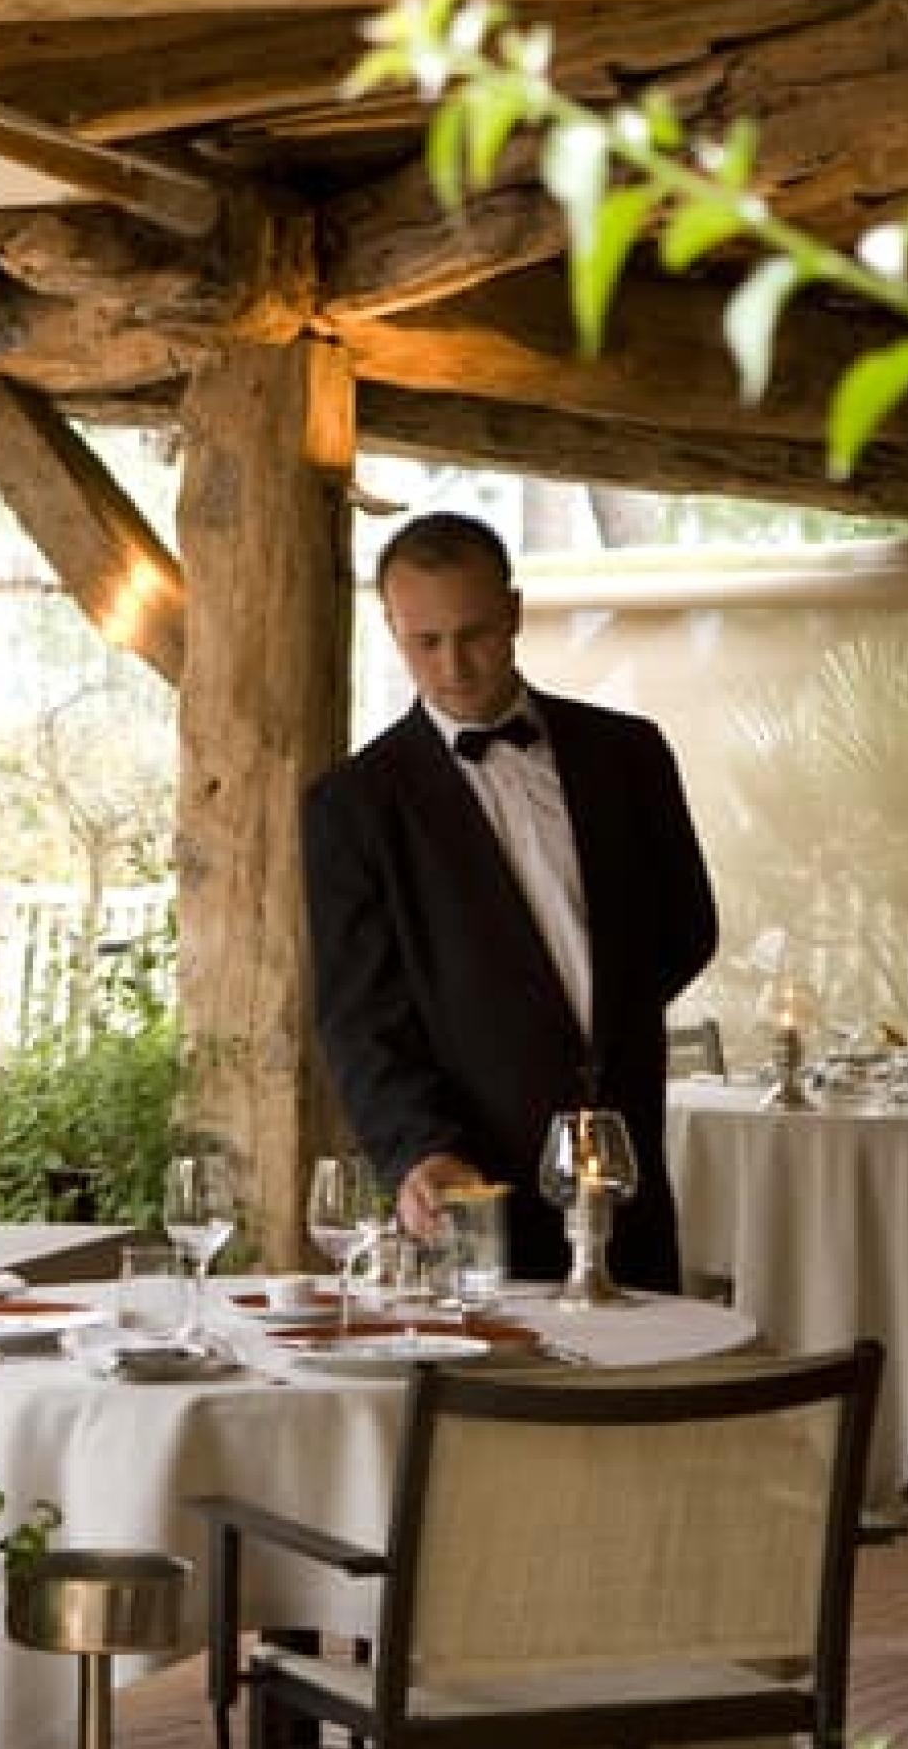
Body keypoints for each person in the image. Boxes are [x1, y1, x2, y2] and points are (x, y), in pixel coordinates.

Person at [302, 511, 718, 1301]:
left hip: (625, 1182)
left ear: (515, 612)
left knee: (648, 1398)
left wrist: (599, 1030)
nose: (454, 665)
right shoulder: (353, 806)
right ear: (393, 631)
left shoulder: (630, 756)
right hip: (474, 1192)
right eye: (426, 642)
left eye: (476, 633)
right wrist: (420, 1148)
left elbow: (687, 927)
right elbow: (359, 1017)